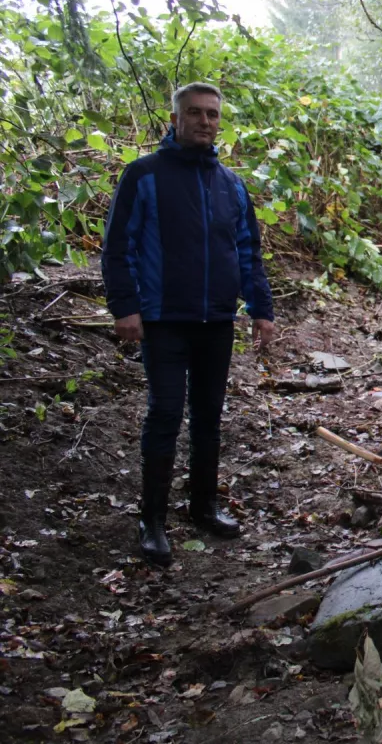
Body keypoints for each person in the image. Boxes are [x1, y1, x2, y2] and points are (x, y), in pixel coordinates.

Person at [101, 82, 275, 568]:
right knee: (164, 415)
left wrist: (261, 309)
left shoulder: (231, 185)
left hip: (216, 319)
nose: (205, 121)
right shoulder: (144, 175)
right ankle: (151, 519)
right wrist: (125, 307)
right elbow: (119, 247)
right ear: (175, 119)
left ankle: (203, 506)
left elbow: (247, 252)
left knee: (208, 417)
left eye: (213, 115)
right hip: (163, 320)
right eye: (195, 113)